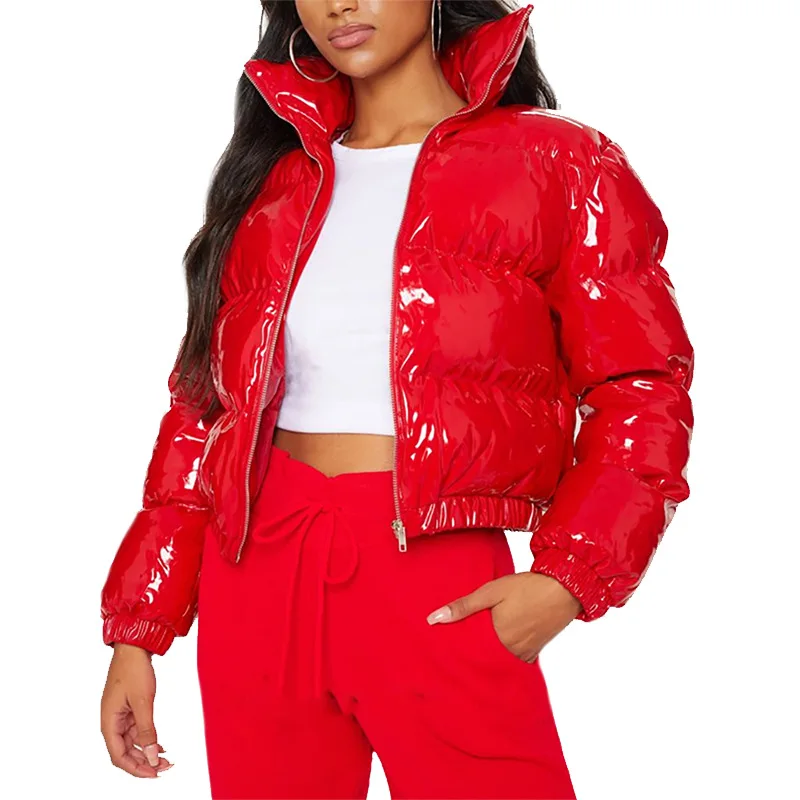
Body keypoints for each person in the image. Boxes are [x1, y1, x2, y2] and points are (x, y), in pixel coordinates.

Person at [99, 1, 694, 798]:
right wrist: (139, 631)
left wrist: (570, 577)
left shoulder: (559, 161)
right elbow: (204, 411)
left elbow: (642, 385)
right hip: (256, 571)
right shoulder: (274, 179)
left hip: (434, 573)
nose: (340, 4)